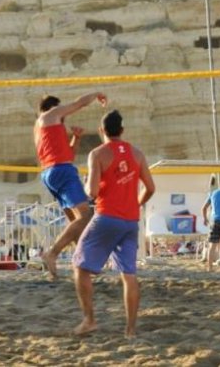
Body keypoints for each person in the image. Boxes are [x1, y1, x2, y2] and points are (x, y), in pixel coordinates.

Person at [72, 110, 155, 337]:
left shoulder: (98, 153)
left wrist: (88, 182)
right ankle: (130, 330)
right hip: (130, 221)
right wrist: (136, 204)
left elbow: (92, 192)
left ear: (102, 131)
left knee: (79, 267)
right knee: (129, 275)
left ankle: (89, 320)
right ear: (123, 130)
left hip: (107, 217)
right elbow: (151, 188)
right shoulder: (136, 153)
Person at [34, 92, 107, 279]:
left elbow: (69, 155)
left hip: (50, 172)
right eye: (61, 109)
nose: (64, 113)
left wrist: (76, 137)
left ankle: (82, 262)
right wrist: (97, 94)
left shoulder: (43, 127)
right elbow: (79, 102)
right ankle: (53, 253)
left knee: (76, 221)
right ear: (53, 107)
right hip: (62, 171)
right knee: (85, 216)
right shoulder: (51, 115)